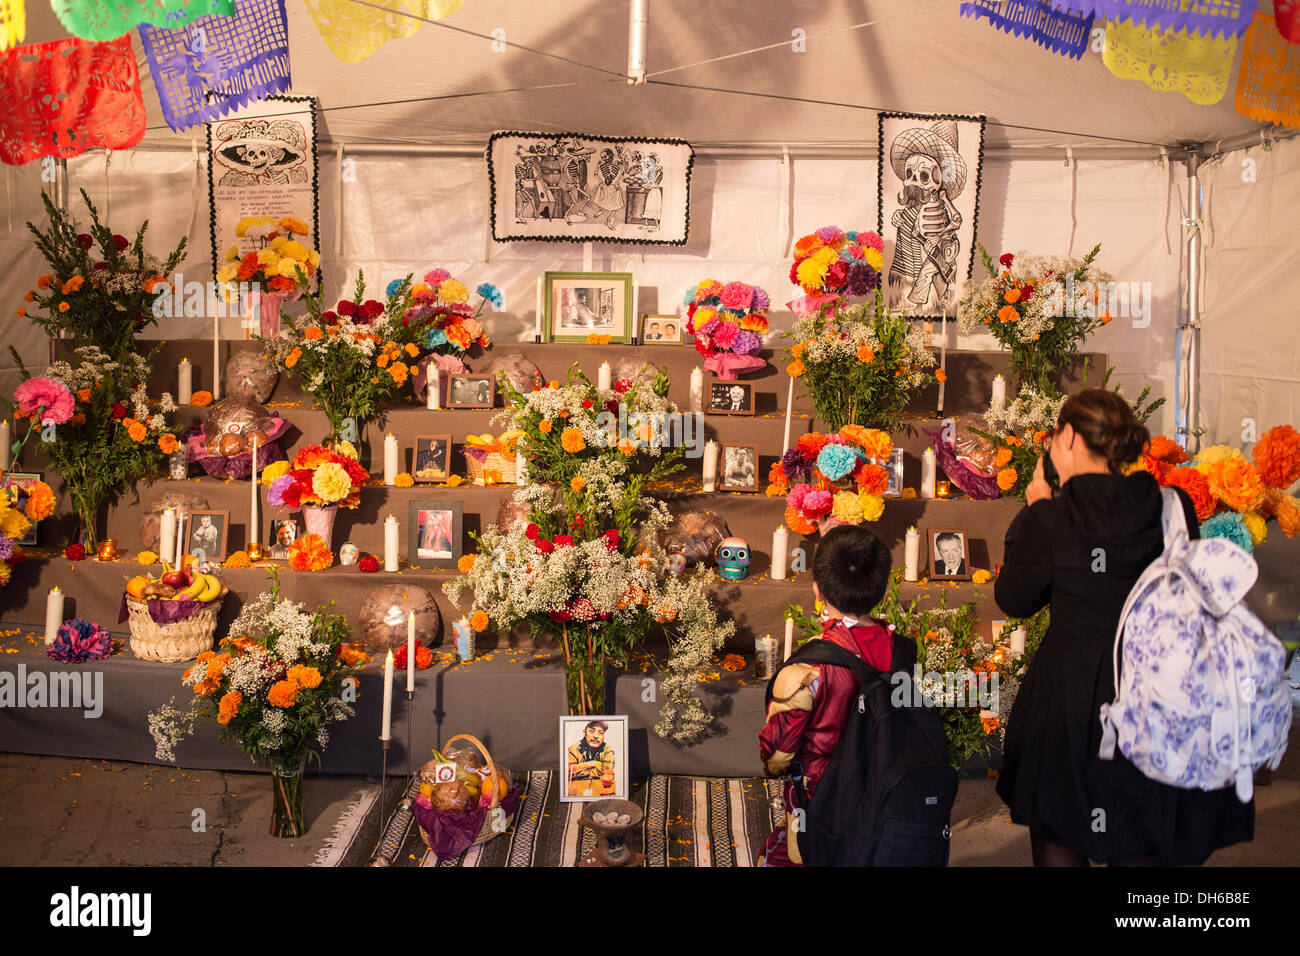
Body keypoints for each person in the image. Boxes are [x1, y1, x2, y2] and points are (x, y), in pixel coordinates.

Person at [994, 389, 1254, 866]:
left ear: (1068, 437)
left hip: (1067, 706)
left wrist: (1034, 511)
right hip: (1154, 702)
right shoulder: (1173, 507)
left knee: (1061, 837)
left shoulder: (1052, 516)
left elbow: (1013, 599)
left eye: (1055, 436)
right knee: (1142, 841)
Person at [757, 525, 894, 866]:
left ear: (817, 590)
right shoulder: (904, 650)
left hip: (824, 801)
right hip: (887, 796)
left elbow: (776, 756)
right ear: (882, 588)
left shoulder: (808, 671)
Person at [568, 720, 615, 796]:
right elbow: (568, 772)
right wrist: (593, 763)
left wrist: (579, 770)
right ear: (585, 732)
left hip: (599, 791)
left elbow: (608, 773)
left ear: (603, 736)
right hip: (577, 791)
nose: (596, 736)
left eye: (600, 733)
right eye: (592, 731)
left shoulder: (608, 750)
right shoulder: (573, 749)